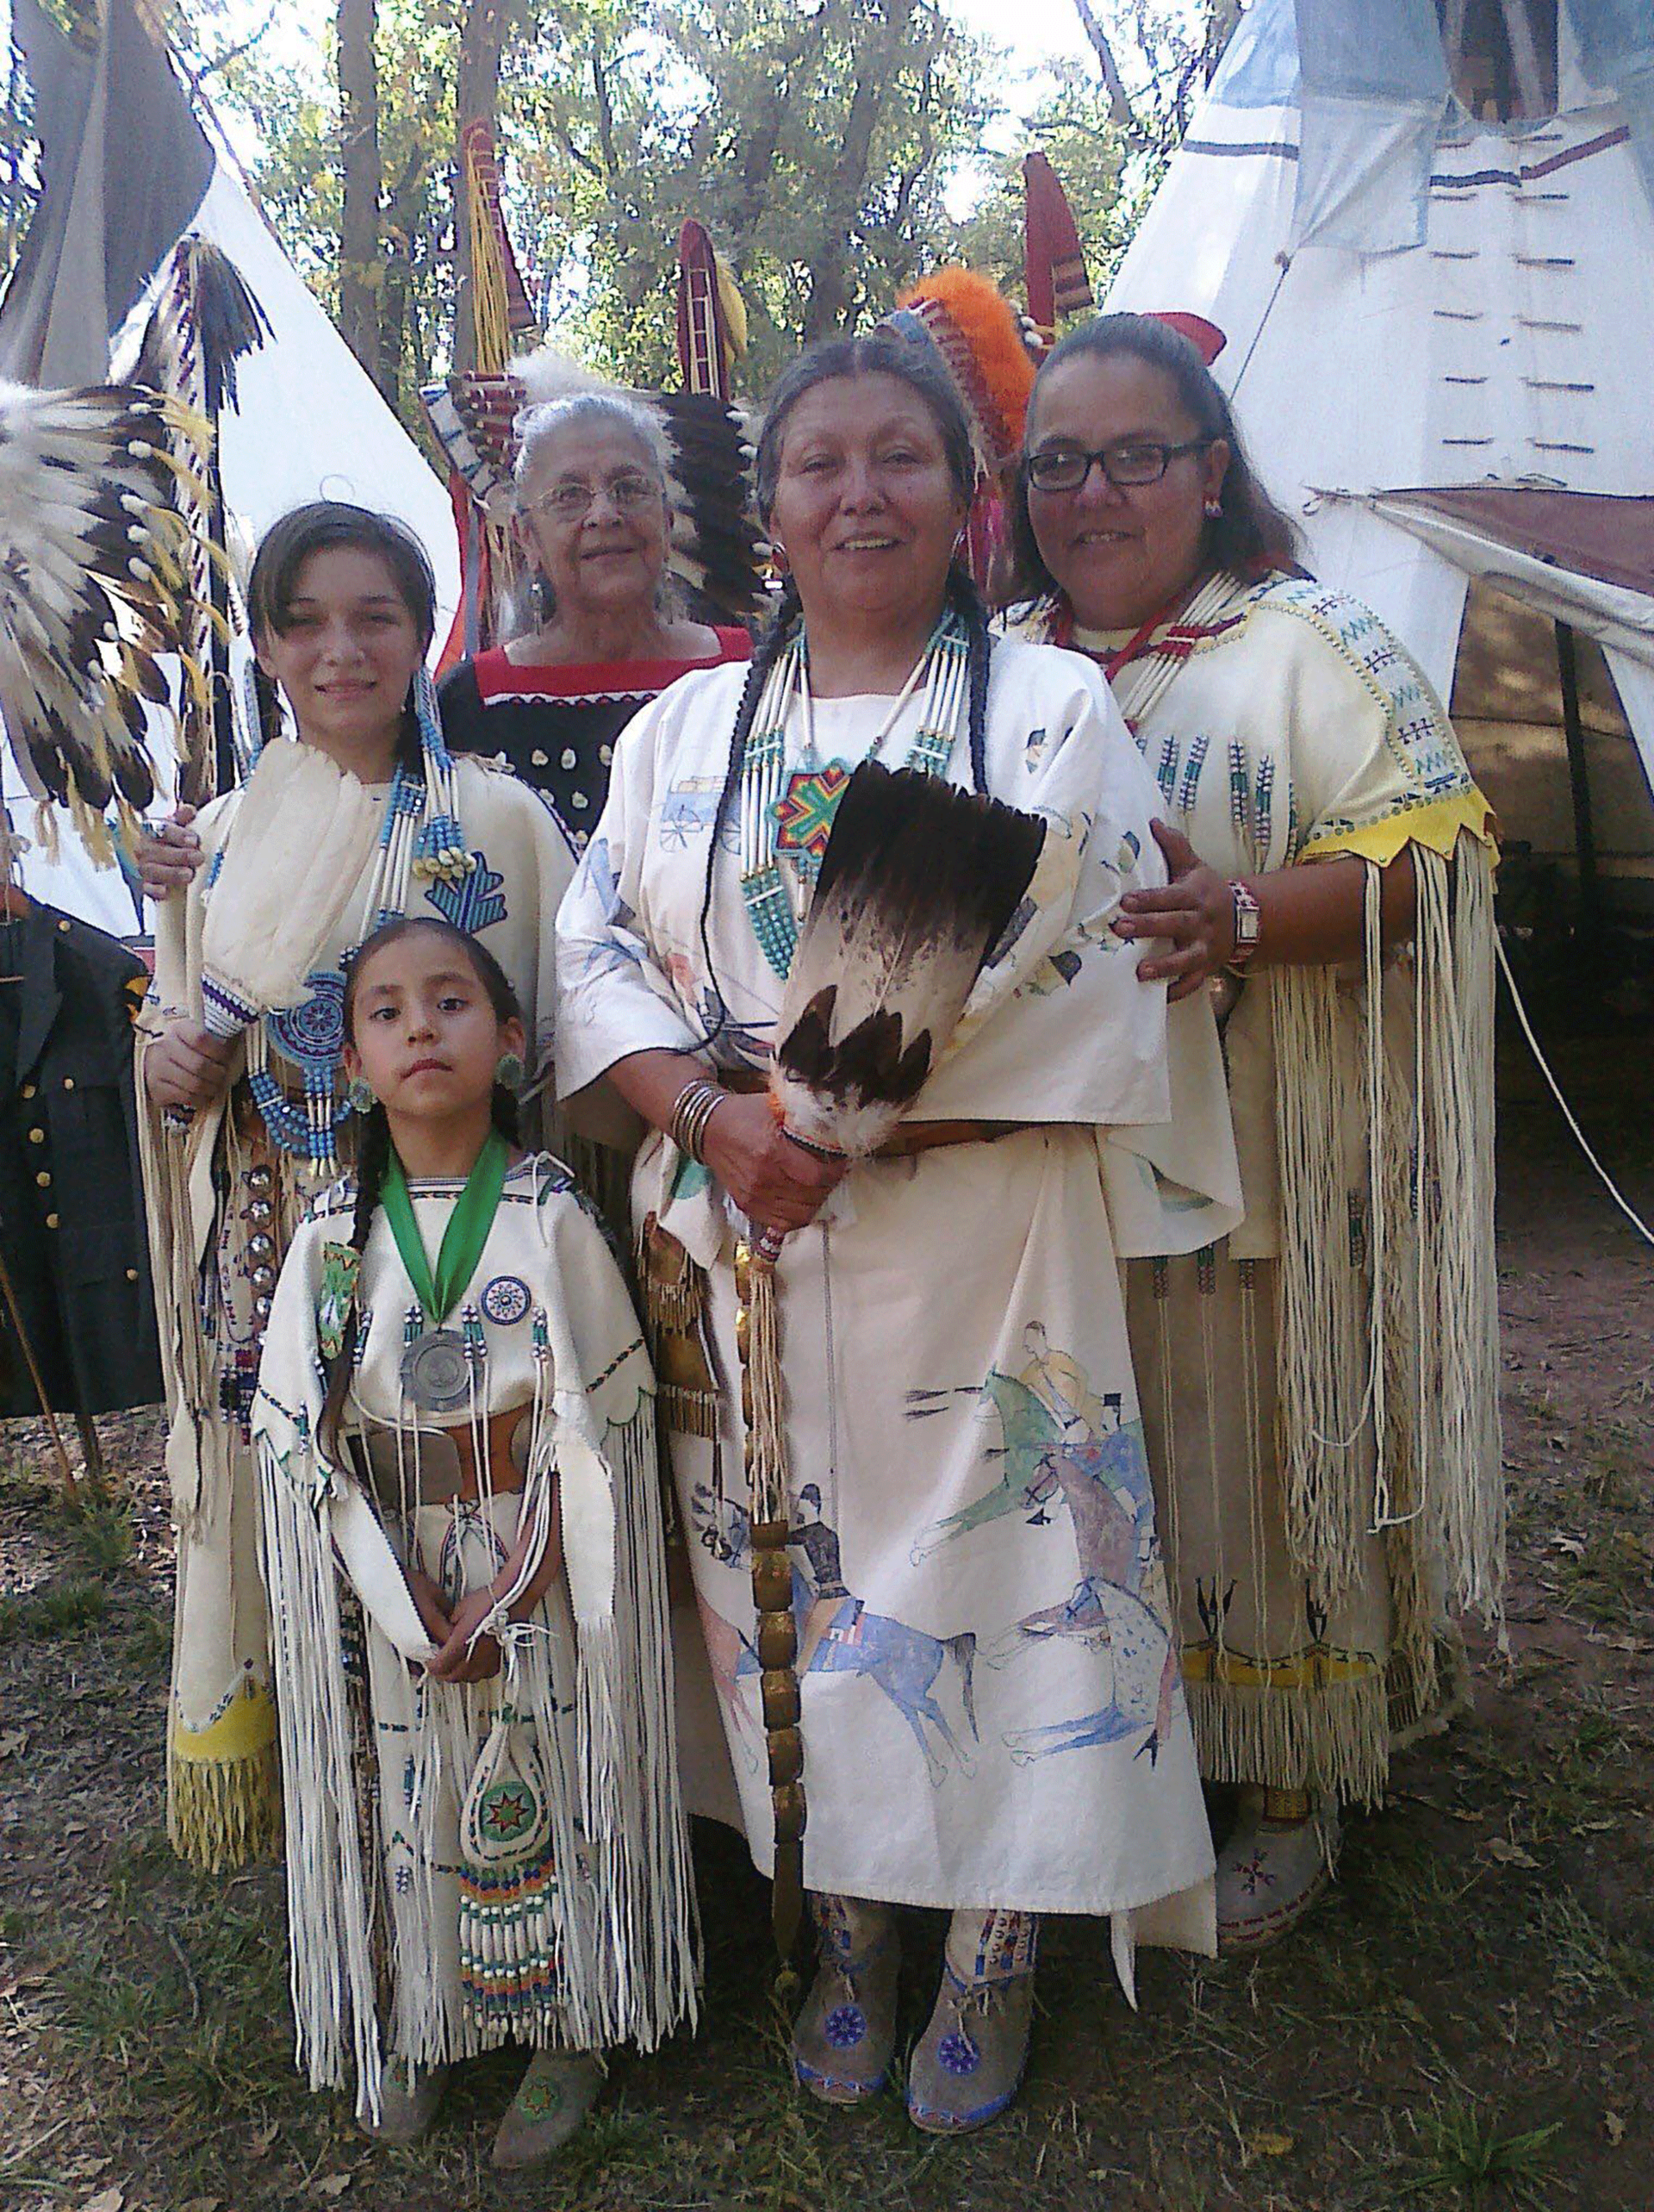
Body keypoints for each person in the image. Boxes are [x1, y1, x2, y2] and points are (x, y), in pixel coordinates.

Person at [556, 333, 1243, 2134]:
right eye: (817, 464)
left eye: (901, 459)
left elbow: (1063, 968)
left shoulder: (1043, 714)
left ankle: (999, 1934)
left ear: (964, 495)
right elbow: (591, 952)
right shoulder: (684, 726)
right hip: (745, 1247)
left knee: (1001, 1577)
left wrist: (829, 1126)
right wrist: (714, 1123)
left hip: (985, 1237)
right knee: (785, 1585)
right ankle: (852, 1917)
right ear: (767, 509)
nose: (857, 492)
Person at [1006, 312, 1502, 1947]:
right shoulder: (995, 660)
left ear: (1211, 473)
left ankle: (1286, 1769)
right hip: (1045, 1181)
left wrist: (1242, 912)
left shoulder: (1309, 644)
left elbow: (1435, 860)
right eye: (1057, 461)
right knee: (1083, 1456)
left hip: (1264, 1156)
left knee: (1245, 1459)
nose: (1095, 492)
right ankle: (1098, 1751)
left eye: (1136, 453)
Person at [139, 502, 574, 1874]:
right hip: (281, 1237)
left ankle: (517, 1829)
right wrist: (178, 1057)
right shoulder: (213, 837)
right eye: (307, 620)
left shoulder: (497, 818)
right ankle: (358, 1854)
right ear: (266, 644)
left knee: (462, 1500)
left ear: (423, 629)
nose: (343, 649)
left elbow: (562, 1039)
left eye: (377, 615)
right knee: (310, 1502)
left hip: (468, 1240)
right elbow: (167, 1055)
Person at [252, 916, 693, 2165]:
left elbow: (601, 1423)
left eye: (451, 1001)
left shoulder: (548, 1214)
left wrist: (512, 1590)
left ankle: (575, 2021)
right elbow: (297, 1430)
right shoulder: (332, 1236)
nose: (418, 1027)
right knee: (413, 1785)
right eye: (385, 1010)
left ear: (509, 1041)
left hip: (533, 1561)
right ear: (348, 1059)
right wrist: (401, 1604)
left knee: (554, 1762)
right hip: (390, 1561)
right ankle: (429, 2007)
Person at [135, 386, 753, 902]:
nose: (604, 514)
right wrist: (193, 849)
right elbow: (357, 795)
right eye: (569, 495)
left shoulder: (749, 676)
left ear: (669, 522)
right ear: (528, 538)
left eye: (629, 488)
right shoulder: (473, 700)